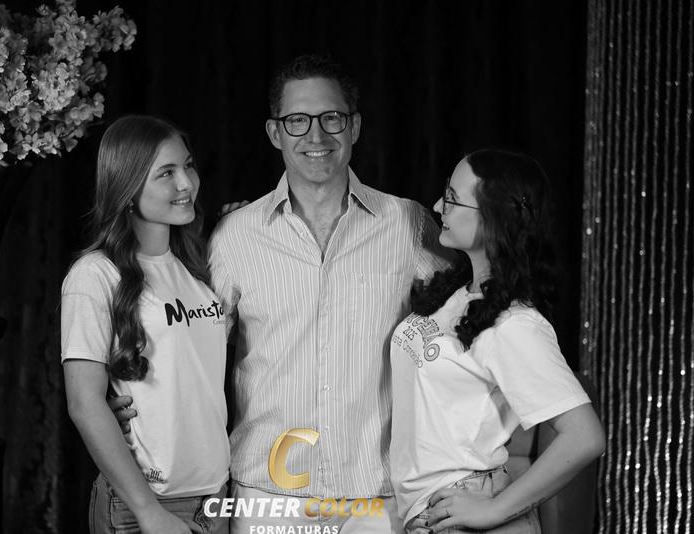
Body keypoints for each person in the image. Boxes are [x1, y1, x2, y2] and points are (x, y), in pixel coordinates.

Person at [206, 54, 450, 533]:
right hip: (268, 497)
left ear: (354, 126)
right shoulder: (234, 236)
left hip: (378, 498)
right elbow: (196, 356)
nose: (315, 136)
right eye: (297, 121)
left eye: (331, 118)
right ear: (275, 133)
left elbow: (468, 321)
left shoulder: (406, 224)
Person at [389, 149, 605, 534]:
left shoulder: (515, 324)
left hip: (463, 508)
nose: (438, 206)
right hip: (427, 513)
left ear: (493, 218)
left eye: (452, 199)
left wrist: (493, 510)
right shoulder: (456, 292)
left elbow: (585, 436)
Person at [61, 115, 230, 534]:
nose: (186, 183)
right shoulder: (95, 275)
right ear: (128, 188)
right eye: (166, 173)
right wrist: (148, 511)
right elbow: (84, 403)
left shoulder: (197, 270)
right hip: (143, 506)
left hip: (215, 499)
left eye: (187, 166)